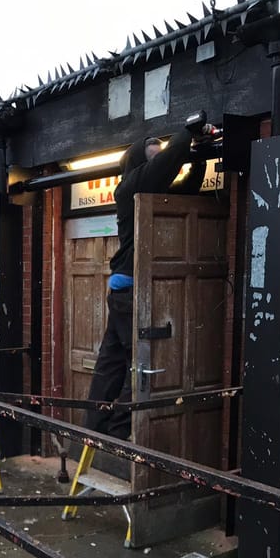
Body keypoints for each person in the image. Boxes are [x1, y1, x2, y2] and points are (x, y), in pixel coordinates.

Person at [85, 117, 215, 440]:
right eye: (152, 157)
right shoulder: (129, 187)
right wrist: (189, 132)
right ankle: (116, 430)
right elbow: (166, 166)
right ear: (139, 163)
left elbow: (184, 188)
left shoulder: (147, 191)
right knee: (140, 367)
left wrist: (198, 156)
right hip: (129, 292)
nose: (158, 162)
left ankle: (93, 428)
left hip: (122, 292)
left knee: (110, 365)